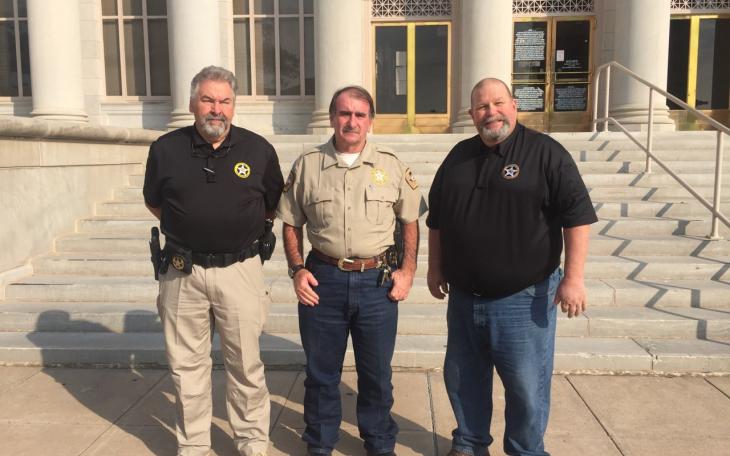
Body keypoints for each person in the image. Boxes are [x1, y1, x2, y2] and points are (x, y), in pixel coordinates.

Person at [426, 78, 597, 456]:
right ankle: (469, 445)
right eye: (482, 107)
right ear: (472, 115)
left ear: (514, 105)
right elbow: (436, 219)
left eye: (498, 103)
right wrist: (434, 268)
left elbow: (577, 216)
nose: (491, 112)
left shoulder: (546, 153)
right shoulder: (458, 157)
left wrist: (574, 278)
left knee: (525, 387)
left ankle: (526, 451)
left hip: (523, 299)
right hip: (465, 299)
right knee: (463, 379)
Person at [276, 86, 427, 456]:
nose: (352, 121)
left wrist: (408, 271)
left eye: (360, 115)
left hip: (377, 282)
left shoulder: (391, 165)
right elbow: (291, 222)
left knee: (377, 374)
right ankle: (320, 443)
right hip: (322, 280)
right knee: (320, 374)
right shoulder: (308, 164)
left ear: (370, 121)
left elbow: (410, 220)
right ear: (332, 118)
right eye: (344, 113)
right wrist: (297, 269)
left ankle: (379, 444)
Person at [143, 65, 284, 456]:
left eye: (224, 101)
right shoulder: (165, 149)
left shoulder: (259, 150)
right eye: (207, 100)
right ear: (192, 104)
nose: (216, 109)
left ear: (234, 106)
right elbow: (155, 202)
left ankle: (252, 443)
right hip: (181, 272)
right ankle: (194, 446)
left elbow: (272, 205)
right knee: (186, 369)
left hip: (240, 271)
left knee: (246, 366)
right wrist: (193, 229)